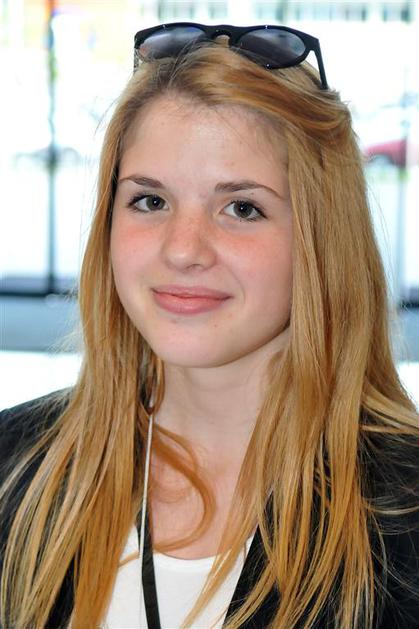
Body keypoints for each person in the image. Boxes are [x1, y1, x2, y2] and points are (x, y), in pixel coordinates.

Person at [1, 22, 418, 629]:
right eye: (150, 201)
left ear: (322, 238)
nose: (182, 249)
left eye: (242, 208)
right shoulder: (15, 468)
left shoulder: (403, 511)